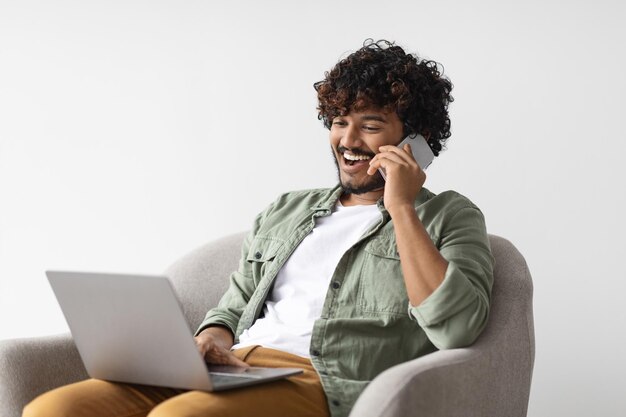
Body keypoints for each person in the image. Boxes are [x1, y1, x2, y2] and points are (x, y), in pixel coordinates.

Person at [23, 39, 494, 417]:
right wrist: (210, 339)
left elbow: (456, 329)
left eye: (370, 126)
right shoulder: (287, 210)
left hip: (318, 382)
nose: (348, 141)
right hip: (233, 368)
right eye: (338, 122)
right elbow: (232, 307)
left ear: (415, 141)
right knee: (55, 407)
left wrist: (402, 207)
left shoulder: (449, 217)